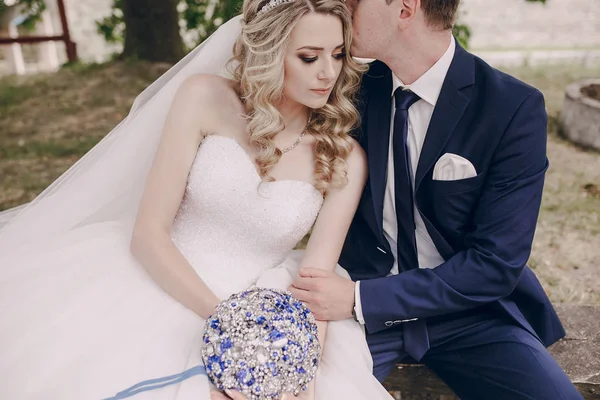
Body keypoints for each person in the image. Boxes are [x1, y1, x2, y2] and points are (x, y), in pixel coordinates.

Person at [0, 0, 394, 399]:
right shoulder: (203, 97)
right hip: (157, 280)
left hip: (266, 311)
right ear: (271, 52)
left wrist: (292, 372)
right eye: (309, 57)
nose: (328, 72)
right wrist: (230, 328)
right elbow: (149, 234)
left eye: (338, 54)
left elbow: (316, 287)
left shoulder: (343, 159)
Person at [289, 0, 584, 399]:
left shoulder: (511, 107)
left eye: (357, 1)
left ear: (405, 10)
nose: (344, 6)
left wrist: (361, 299)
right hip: (355, 311)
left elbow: (495, 266)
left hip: (467, 314)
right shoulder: (346, 91)